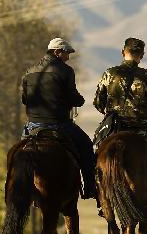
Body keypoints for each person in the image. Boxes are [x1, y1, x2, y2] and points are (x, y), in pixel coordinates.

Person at [94, 37, 147, 215]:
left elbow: (98, 103)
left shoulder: (109, 73)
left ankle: (99, 195)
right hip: (143, 129)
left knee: (96, 154)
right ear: (142, 55)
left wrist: (111, 112)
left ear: (123, 52)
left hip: (115, 127)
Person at [20, 37, 97, 199]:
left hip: (33, 126)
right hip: (59, 124)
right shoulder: (65, 71)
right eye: (66, 53)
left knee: (18, 155)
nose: (67, 57)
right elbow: (72, 96)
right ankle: (90, 187)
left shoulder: (29, 71)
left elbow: (25, 99)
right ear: (57, 52)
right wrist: (79, 101)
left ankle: (17, 187)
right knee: (86, 146)